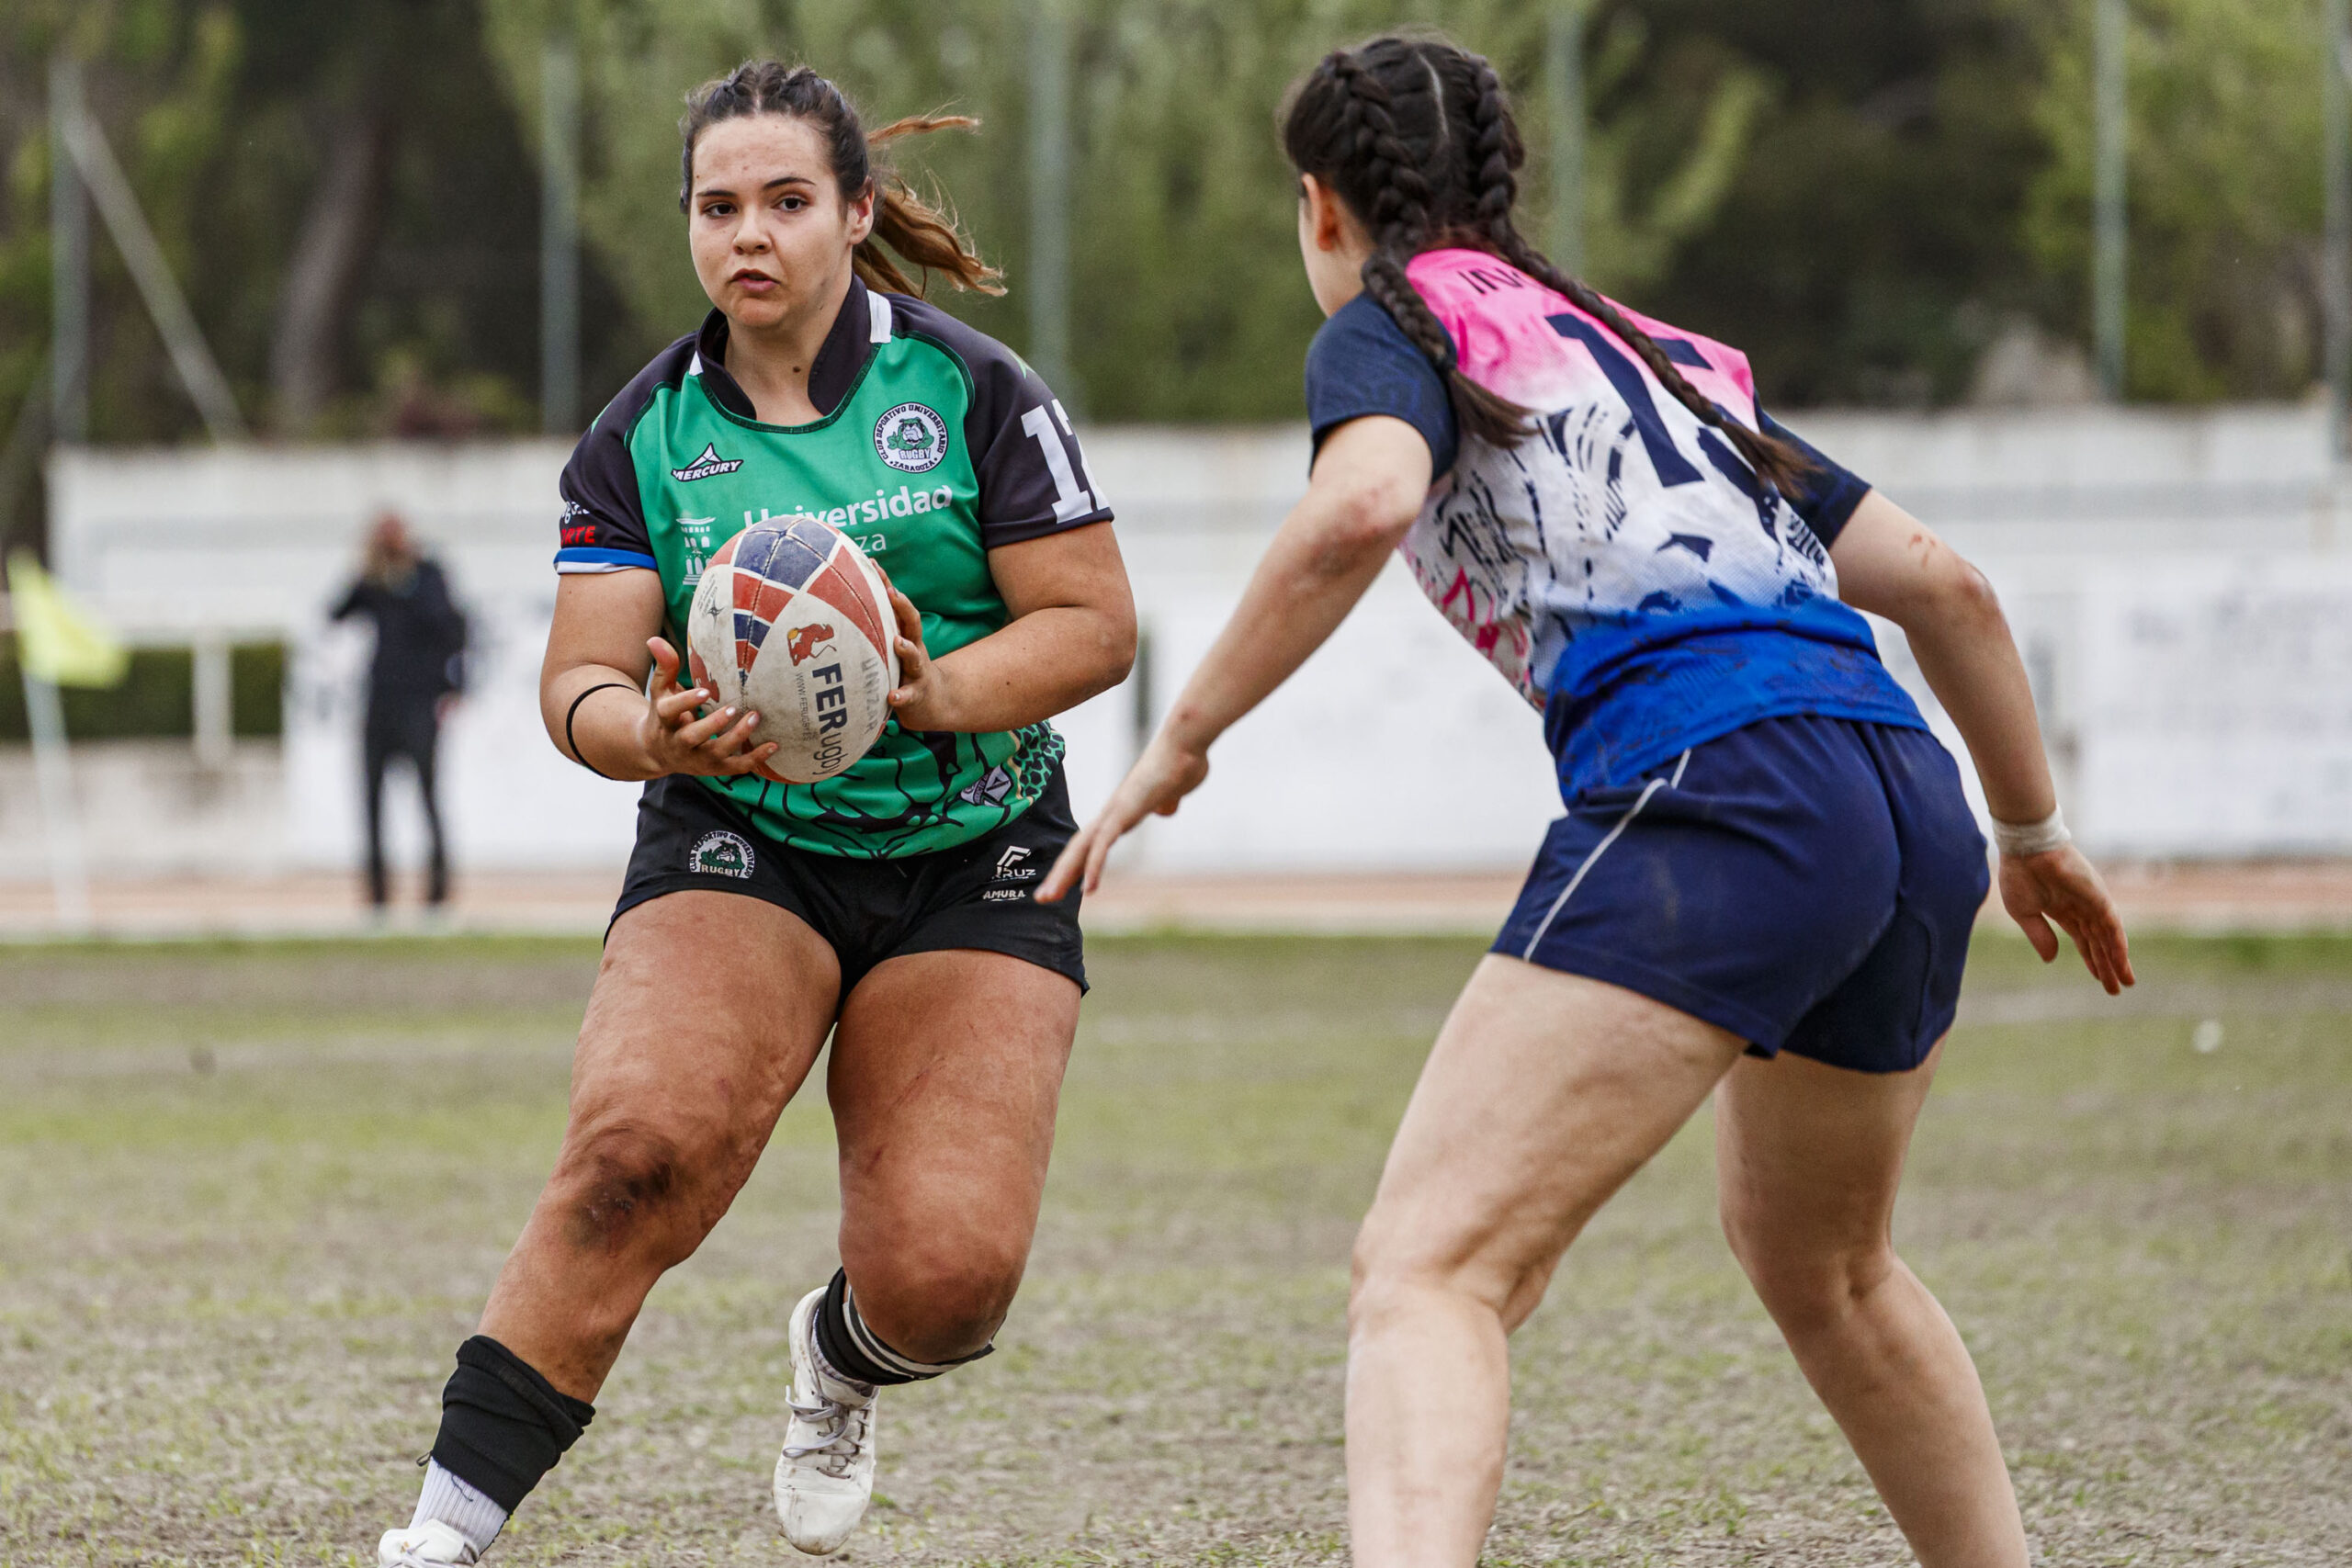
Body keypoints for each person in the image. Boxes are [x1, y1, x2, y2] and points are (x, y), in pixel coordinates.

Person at [1041, 33, 2132, 1568]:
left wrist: (1180, 737)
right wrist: (2032, 832)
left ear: (1321, 206)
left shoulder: (1392, 321)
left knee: (1428, 1268)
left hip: (1726, 781)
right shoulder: (1665, 354)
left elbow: (1361, 504)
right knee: (1830, 1268)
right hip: (1904, 792)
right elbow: (1949, 587)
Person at [374, 62, 1134, 1567]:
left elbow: (1095, 625)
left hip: (980, 845)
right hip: (747, 841)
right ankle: (440, 1530)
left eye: (788, 200)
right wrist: (645, 729)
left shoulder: (973, 391)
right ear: (690, 226)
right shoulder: (642, 437)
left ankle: (839, 1356)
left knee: (947, 1283)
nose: (751, 234)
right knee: (631, 1154)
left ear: (854, 213)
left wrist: (937, 689)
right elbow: (580, 683)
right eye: (719, 207)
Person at [332, 512, 467, 908]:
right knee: (371, 799)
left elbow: (450, 626)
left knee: (428, 795)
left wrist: (453, 686)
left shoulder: (428, 575)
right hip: (379, 702)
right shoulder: (373, 581)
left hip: (419, 703)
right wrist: (365, 571)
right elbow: (337, 612)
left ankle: (437, 891)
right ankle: (377, 893)